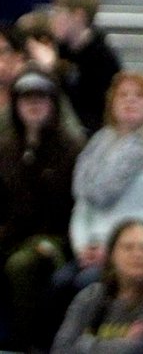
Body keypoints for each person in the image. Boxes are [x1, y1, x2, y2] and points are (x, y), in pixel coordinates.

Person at [69, 72, 143, 278]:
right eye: (122, 95)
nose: (130, 100)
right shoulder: (93, 153)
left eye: (139, 95)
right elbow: (82, 209)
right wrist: (81, 248)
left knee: (84, 284)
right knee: (58, 284)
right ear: (111, 103)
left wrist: (118, 250)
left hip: (138, 254)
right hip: (93, 251)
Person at [0, 68, 85, 352]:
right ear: (16, 105)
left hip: (54, 237)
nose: (34, 105)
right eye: (26, 99)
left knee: (22, 265)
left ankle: (30, 345)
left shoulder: (72, 148)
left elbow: (65, 208)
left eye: (41, 98)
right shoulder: (5, 148)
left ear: (53, 103)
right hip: (10, 234)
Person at [52, 218, 143, 354]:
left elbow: (139, 350)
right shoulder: (90, 297)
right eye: (128, 247)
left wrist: (85, 343)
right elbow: (61, 349)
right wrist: (120, 344)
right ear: (112, 255)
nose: (138, 254)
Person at [48, 0, 122, 135]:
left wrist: (52, 68)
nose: (53, 20)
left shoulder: (102, 58)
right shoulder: (60, 49)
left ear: (78, 16)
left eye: (58, 12)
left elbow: (91, 106)